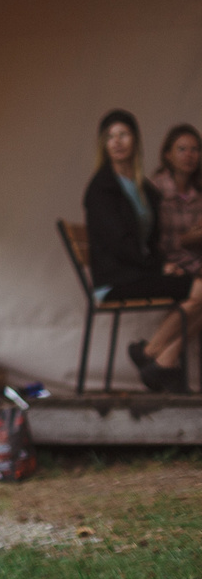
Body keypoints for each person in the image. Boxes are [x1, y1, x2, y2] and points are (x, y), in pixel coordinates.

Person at [83, 109, 200, 393]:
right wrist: (159, 267)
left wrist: (164, 264)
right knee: (199, 290)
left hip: (136, 272)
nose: (117, 141)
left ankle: (161, 359)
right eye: (110, 137)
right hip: (115, 279)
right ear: (103, 144)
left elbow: (150, 242)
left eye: (123, 134)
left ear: (135, 140)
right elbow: (121, 245)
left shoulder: (144, 189)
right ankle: (152, 355)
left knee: (199, 293)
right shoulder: (101, 188)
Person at [154, 123, 202, 281]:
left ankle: (183, 308)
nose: (189, 155)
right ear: (168, 154)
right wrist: (184, 239)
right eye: (182, 149)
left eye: (195, 150)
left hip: (195, 264)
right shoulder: (155, 189)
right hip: (168, 265)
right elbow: (150, 242)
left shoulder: (198, 191)